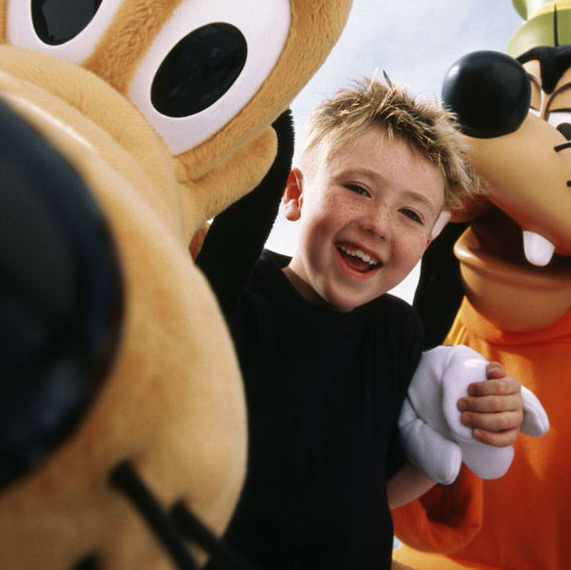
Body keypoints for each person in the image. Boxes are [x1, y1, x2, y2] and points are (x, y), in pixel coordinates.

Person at [218, 77, 527, 570]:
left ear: (427, 242)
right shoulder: (231, 288)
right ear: (295, 193)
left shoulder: (398, 332)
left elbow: (377, 487)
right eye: (358, 188)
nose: (379, 224)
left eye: (410, 213)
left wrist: (461, 424)